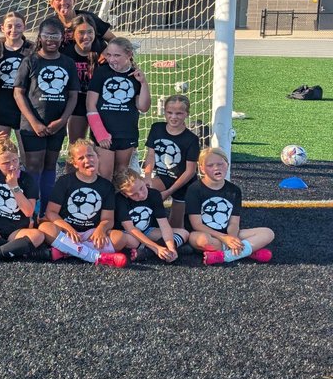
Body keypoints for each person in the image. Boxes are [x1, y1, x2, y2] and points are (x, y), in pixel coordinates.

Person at [13, 18, 80, 208]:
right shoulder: (30, 61)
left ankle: (46, 210)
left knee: (51, 164)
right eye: (47, 35)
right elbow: (18, 93)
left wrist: (63, 120)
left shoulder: (67, 62)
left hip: (56, 124)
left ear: (62, 38)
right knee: (34, 165)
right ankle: (32, 208)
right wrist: (34, 122)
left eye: (55, 35)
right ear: (40, 37)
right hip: (32, 125)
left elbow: (73, 95)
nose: (51, 39)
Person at [37, 140, 127, 266]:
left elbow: (108, 219)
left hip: (91, 233)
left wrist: (101, 229)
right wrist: (68, 229)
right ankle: (95, 256)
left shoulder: (106, 186)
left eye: (90, 155)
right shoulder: (65, 181)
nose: (87, 160)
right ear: (74, 163)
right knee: (45, 228)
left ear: (97, 157)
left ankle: (66, 250)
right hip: (66, 231)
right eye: (81, 158)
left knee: (120, 238)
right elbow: (51, 212)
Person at [185, 147, 273, 265]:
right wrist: (224, 238)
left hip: (227, 233)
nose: (216, 168)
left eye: (220, 164)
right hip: (204, 234)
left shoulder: (234, 190)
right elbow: (197, 225)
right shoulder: (195, 189)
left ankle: (224, 256)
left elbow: (234, 222)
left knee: (267, 233)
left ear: (227, 164)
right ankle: (248, 251)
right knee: (204, 240)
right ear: (202, 168)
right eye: (210, 165)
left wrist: (232, 237)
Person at [86, 37, 150, 180]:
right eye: (109, 55)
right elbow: (90, 104)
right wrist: (100, 133)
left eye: (117, 55)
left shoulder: (135, 76)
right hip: (105, 134)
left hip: (127, 132)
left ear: (129, 55)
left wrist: (143, 82)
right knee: (104, 176)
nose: (112, 59)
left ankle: (117, 203)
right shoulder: (101, 72)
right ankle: (106, 203)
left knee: (121, 176)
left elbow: (143, 107)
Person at [143, 93, 200, 228]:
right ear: (165, 112)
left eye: (179, 113)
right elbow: (150, 155)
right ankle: (148, 230)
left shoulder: (191, 139)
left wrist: (169, 192)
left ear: (186, 114)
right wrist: (147, 177)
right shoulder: (157, 128)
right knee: (142, 194)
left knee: (176, 225)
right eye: (170, 112)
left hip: (183, 183)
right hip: (163, 177)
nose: (173, 117)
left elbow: (190, 171)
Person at [113, 168, 188, 263]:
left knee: (184, 233)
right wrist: (156, 247)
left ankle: (148, 252)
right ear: (125, 194)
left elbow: (164, 225)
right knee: (132, 241)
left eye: (141, 188)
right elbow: (130, 228)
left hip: (148, 230)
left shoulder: (154, 194)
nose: (140, 195)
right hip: (130, 233)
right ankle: (157, 249)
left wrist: (171, 247)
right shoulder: (120, 200)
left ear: (142, 180)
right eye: (134, 194)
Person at [0, 11, 32, 145]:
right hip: (2, 105)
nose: (13, 30)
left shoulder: (32, 49)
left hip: (25, 105)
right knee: (1, 149)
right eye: (9, 26)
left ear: (24, 27)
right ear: (2, 28)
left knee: (27, 151)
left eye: (18, 26)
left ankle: (25, 167)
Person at [45, 0, 113, 54]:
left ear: (74, 0)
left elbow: (113, 39)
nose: (63, 2)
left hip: (94, 62)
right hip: (66, 64)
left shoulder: (88, 18)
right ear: (51, 3)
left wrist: (107, 53)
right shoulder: (50, 25)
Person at [64, 16, 98, 145]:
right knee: (77, 146)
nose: (86, 36)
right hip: (76, 104)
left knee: (101, 146)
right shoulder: (65, 53)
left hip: (98, 105)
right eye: (81, 32)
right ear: (73, 34)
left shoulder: (102, 51)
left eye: (90, 32)